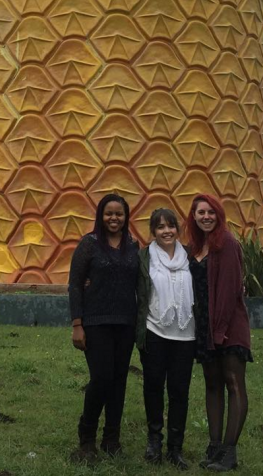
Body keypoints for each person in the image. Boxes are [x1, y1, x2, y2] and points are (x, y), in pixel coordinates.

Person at [68, 193, 139, 461]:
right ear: (101, 215)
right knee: (101, 378)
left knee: (119, 382)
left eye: (119, 214)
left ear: (125, 216)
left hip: (125, 323)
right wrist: (77, 323)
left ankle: (112, 438)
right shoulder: (90, 244)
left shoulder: (133, 246)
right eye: (109, 213)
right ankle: (87, 435)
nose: (114, 218)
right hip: (96, 322)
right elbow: (75, 284)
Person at [187, 193, 252, 472]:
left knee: (233, 383)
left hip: (227, 327)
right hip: (204, 326)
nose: (206, 217)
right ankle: (214, 447)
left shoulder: (226, 244)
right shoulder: (195, 247)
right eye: (200, 212)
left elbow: (229, 291)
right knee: (211, 385)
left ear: (219, 214)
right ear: (193, 216)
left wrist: (220, 331)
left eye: (210, 212)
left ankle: (230, 451)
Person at [136, 208, 195, 469]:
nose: (166, 231)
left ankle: (175, 447)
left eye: (170, 226)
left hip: (186, 334)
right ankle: (154, 441)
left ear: (177, 229)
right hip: (155, 330)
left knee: (180, 391)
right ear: (153, 232)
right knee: (154, 386)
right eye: (160, 227)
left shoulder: (190, 257)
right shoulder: (144, 257)